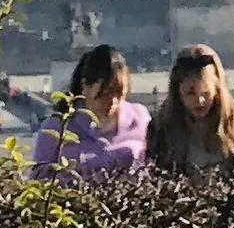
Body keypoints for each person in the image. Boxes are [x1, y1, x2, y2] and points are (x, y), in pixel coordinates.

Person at [29, 43, 148, 181]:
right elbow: (39, 179)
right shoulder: (56, 128)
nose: (113, 101)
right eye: (105, 93)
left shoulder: (140, 119)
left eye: (119, 93)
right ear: (85, 86)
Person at [146, 42, 234, 178]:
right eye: (190, 93)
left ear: (217, 89)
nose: (200, 101)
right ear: (177, 93)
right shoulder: (161, 128)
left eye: (206, 93)